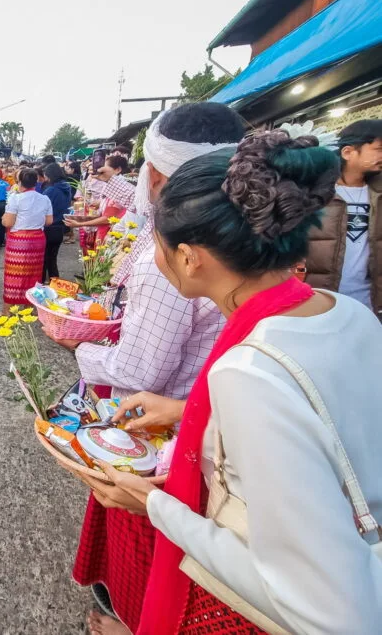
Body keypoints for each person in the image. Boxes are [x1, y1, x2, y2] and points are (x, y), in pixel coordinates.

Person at [83, 130, 382, 635]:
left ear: (190, 256)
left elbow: (325, 607)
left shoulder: (246, 374)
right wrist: (184, 412)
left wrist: (153, 505)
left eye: (157, 247)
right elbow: (322, 424)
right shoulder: (349, 313)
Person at [48, 102, 246, 633]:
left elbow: (140, 371)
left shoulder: (173, 260)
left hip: (174, 455)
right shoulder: (318, 306)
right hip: (193, 421)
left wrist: (77, 347)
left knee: (153, 570)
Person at [305, 119, 382, 315]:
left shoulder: (377, 193)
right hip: (321, 298)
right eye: (378, 149)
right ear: (348, 152)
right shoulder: (315, 193)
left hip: (370, 301)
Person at [1, 168, 52, 312]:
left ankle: (7, 311)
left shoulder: (15, 198)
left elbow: (8, 223)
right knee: (33, 274)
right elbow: (49, 221)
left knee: (13, 276)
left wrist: (4, 219)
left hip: (19, 242)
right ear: (36, 182)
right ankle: (28, 308)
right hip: (37, 241)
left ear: (19, 182)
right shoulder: (45, 199)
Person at [41, 163, 73, 282]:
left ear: (50, 175)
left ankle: (41, 285)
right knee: (52, 259)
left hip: (49, 228)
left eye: (46, 175)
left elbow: (41, 209)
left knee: (44, 260)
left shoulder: (50, 190)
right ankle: (56, 284)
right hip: (60, 228)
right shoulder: (66, 187)